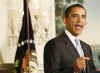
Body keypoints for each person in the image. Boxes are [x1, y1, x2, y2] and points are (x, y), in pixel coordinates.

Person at [44, 4, 96, 73]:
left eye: (83, 17)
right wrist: (73, 70)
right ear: (65, 20)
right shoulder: (53, 45)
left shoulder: (87, 47)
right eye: (75, 16)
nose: (80, 20)